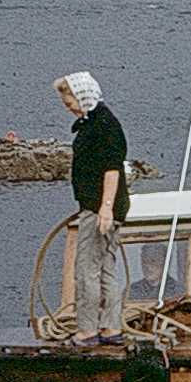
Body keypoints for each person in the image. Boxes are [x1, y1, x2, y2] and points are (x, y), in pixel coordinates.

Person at [54, 71, 130, 345]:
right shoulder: (97, 121)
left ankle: (87, 330)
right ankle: (110, 327)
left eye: (69, 101)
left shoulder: (104, 125)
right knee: (105, 267)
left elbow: (112, 169)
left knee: (87, 268)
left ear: (82, 95)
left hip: (100, 208)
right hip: (105, 207)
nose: (68, 107)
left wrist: (105, 209)